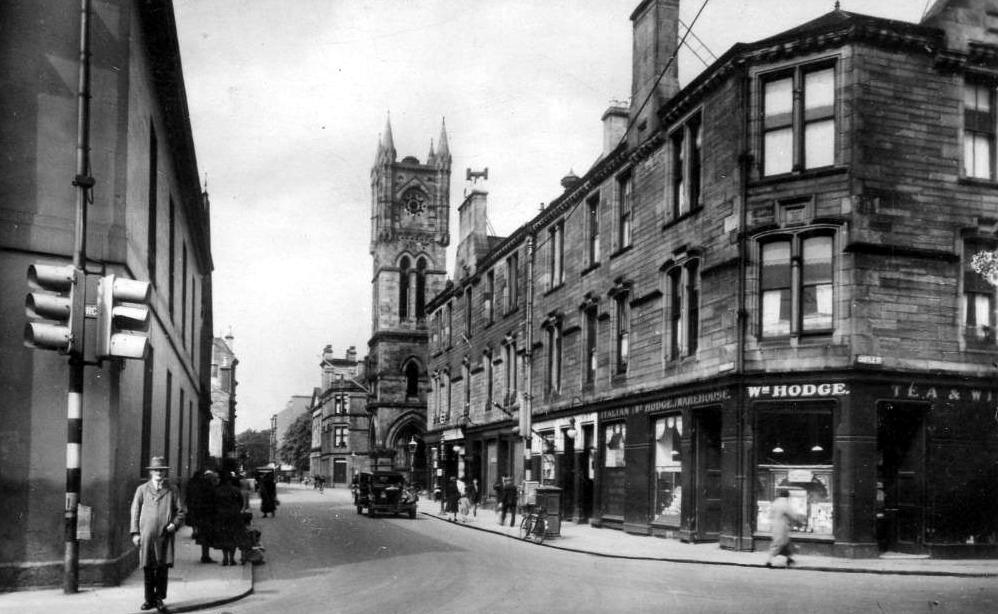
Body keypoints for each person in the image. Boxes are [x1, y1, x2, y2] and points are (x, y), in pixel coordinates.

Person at [130, 456, 185, 611]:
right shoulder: (142, 489)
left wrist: (174, 524)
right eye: (156, 470)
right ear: (151, 472)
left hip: (164, 534)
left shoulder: (172, 489)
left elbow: (181, 511)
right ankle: (149, 599)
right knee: (147, 566)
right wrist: (135, 533)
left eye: (161, 470)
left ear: (165, 472)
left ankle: (159, 598)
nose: (159, 473)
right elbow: (135, 511)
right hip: (147, 534)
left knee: (162, 567)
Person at [213, 471, 245, 566]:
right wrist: (236, 510)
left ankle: (225, 558)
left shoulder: (217, 491)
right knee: (233, 537)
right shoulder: (236, 490)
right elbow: (241, 503)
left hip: (222, 516)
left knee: (224, 537)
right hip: (234, 516)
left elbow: (214, 504)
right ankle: (232, 559)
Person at [186, 469, 218, 563]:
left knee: (204, 536)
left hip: (201, 514)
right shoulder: (209, 487)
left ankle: (205, 555)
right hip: (208, 515)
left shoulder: (199, 486)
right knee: (207, 536)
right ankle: (205, 556)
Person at [766, 489, 803, 568]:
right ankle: (769, 561)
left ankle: (789, 559)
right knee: (778, 544)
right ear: (787, 496)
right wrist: (799, 522)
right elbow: (792, 515)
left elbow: (770, 515)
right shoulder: (785, 504)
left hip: (774, 526)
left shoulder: (775, 503)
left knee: (786, 544)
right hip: (782, 527)